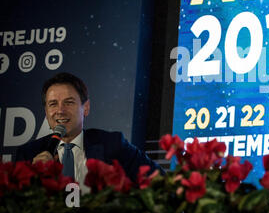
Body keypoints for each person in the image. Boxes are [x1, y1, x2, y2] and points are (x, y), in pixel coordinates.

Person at [15, 72, 164, 188]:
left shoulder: (112, 145)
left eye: (69, 102)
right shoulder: (28, 154)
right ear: (46, 112)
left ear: (85, 108)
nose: (60, 110)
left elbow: (160, 182)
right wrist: (33, 177)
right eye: (53, 104)